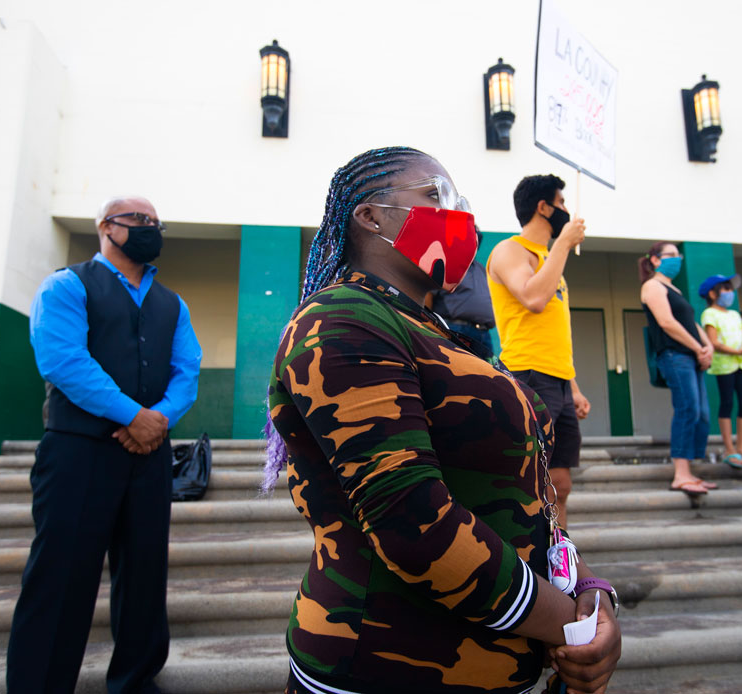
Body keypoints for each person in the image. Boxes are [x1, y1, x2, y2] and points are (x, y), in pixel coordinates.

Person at [264, 147, 621, 694]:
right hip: (386, 664)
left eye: (461, 203)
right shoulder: (344, 320)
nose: (460, 217)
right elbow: (412, 520)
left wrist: (588, 589)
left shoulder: (441, 334)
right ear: (370, 216)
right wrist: (568, 625)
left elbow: (523, 492)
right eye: (436, 197)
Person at [7, 196, 202, 693]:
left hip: (149, 454)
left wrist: (157, 421)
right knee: (61, 576)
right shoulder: (67, 285)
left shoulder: (171, 303)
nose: (149, 228)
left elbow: (187, 371)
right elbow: (63, 361)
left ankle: (136, 681)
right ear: (105, 227)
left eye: (155, 222)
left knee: (144, 574)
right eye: (138, 220)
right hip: (77, 452)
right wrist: (133, 416)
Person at [486, 174, 590, 529]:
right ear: (543, 207)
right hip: (528, 375)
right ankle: (533, 559)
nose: (566, 210)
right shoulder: (510, 250)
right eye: (561, 203)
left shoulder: (549, 259)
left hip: (559, 380)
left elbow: (556, 332)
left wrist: (573, 388)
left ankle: (562, 557)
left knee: (561, 484)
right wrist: (562, 244)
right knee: (534, 482)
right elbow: (532, 298)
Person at [639, 242, 716, 496]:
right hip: (675, 355)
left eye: (678, 255)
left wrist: (707, 347)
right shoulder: (652, 286)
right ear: (655, 260)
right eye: (670, 255)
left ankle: (689, 471)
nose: (677, 259)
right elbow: (666, 322)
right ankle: (680, 475)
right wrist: (697, 348)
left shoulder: (675, 289)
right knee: (688, 409)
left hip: (691, 356)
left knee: (702, 414)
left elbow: (691, 322)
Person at [698, 273, 742, 468]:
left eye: (730, 289)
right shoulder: (709, 314)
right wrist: (738, 351)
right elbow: (714, 342)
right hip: (724, 366)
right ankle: (730, 449)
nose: (730, 293)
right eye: (726, 289)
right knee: (727, 403)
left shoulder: (735, 314)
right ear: (712, 293)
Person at [429, 230, 496, 354]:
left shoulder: (480, 268)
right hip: (456, 328)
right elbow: (429, 295)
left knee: (486, 372)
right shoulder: (447, 263)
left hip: (483, 332)